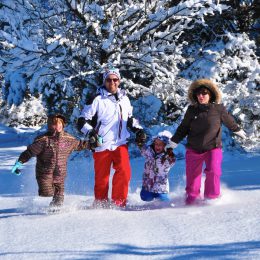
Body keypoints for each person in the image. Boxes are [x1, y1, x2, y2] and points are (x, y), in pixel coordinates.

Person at [167, 79, 247, 205]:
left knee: (214, 171)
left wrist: (237, 130)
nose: (201, 96)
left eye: (204, 93)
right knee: (193, 176)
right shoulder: (192, 110)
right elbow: (184, 127)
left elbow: (229, 120)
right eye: (198, 94)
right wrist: (174, 142)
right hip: (193, 148)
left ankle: (212, 198)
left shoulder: (218, 109)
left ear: (211, 95)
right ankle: (192, 198)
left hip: (213, 147)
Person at [77, 67, 146, 208]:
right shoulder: (97, 99)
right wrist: (91, 133)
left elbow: (130, 119)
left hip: (120, 143)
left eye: (115, 80)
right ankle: (101, 204)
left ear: (119, 81)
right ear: (104, 81)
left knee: (125, 173)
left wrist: (139, 130)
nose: (112, 82)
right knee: (102, 179)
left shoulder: (125, 98)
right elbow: (82, 120)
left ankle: (119, 203)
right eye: (109, 80)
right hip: (101, 144)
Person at [11, 114, 89, 207]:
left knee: (59, 196)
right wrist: (19, 162)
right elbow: (30, 152)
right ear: (50, 125)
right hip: (44, 173)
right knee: (47, 192)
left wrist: (93, 143)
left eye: (60, 123)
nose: (58, 126)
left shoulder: (68, 139)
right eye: (55, 124)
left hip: (60, 172)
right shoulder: (44, 140)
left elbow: (81, 144)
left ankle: (54, 212)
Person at [138, 130, 176, 202]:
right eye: (156, 144)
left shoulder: (167, 157)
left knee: (163, 201)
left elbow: (172, 162)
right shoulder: (149, 151)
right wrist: (140, 143)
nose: (157, 146)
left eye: (160, 144)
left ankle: (166, 202)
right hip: (148, 185)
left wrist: (169, 155)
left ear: (165, 146)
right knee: (145, 197)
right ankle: (149, 196)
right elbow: (143, 149)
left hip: (161, 187)